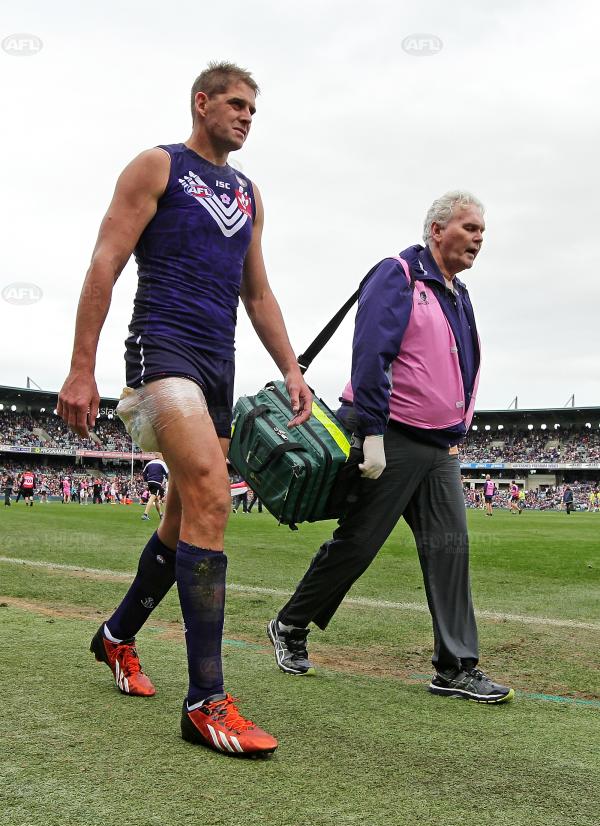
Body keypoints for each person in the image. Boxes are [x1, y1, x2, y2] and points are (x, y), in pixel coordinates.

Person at [57, 61, 311, 757]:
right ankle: (205, 701)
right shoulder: (157, 165)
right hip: (160, 351)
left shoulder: (249, 193)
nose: (247, 117)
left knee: (181, 518)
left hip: (218, 368)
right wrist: (81, 366)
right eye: (236, 104)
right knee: (211, 495)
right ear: (202, 103)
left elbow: (257, 293)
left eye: (253, 109)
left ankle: (115, 637)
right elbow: (105, 262)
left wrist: (291, 368)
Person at [267, 190, 514, 704]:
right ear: (437, 230)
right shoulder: (398, 274)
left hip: (438, 447)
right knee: (359, 544)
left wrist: (456, 432)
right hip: (392, 434)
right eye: (469, 228)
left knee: (450, 549)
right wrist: (374, 432)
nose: (478, 238)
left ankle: (455, 667)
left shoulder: (458, 294)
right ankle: (290, 624)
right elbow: (370, 352)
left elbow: (461, 367)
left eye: (482, 231)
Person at [141, 455, 168, 521]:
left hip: (150, 482)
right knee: (153, 497)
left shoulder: (149, 463)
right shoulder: (162, 463)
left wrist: (146, 480)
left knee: (156, 499)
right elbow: (167, 473)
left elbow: (144, 473)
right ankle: (145, 514)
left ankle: (161, 515)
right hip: (157, 482)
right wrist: (168, 480)